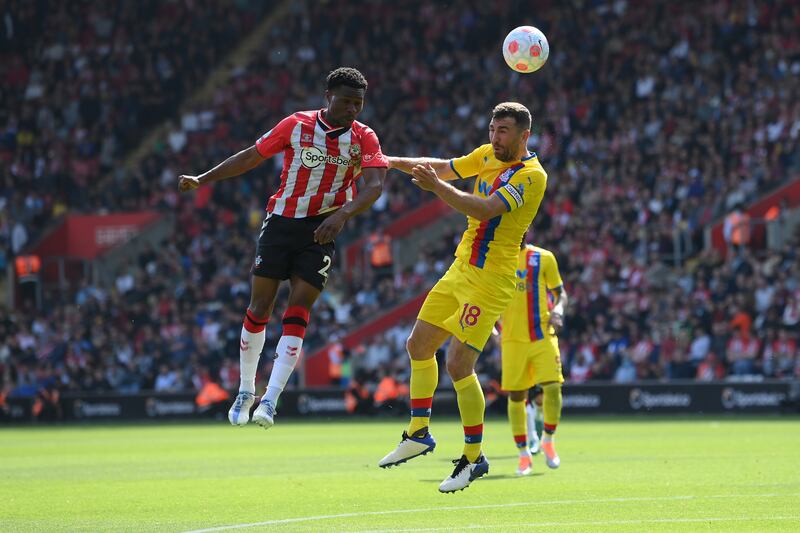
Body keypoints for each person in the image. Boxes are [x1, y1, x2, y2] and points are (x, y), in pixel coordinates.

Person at [178, 67, 388, 429]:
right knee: (260, 305)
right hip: (280, 222)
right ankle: (246, 390)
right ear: (328, 96)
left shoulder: (364, 138)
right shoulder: (296, 125)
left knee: (299, 308)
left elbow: (374, 185)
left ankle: (271, 398)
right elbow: (251, 155)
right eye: (346, 101)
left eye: (359, 103)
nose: (353, 109)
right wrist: (203, 178)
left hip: (321, 230)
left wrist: (342, 215)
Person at [377, 102, 547, 492]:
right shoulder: (487, 155)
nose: (494, 137)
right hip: (461, 267)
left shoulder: (531, 177)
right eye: (491, 128)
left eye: (503, 131)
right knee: (418, 345)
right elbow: (443, 166)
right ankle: (418, 433)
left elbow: (485, 209)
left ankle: (473, 458)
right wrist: (389, 161)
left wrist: (436, 188)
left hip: (492, 280)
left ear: (525, 136)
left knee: (457, 364)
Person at [500, 242, 567, 476]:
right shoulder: (497, 257)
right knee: (517, 396)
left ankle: (548, 439)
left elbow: (561, 293)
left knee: (553, 386)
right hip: (512, 339)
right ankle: (523, 454)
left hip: (541, 334)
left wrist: (558, 310)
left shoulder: (544, 257)